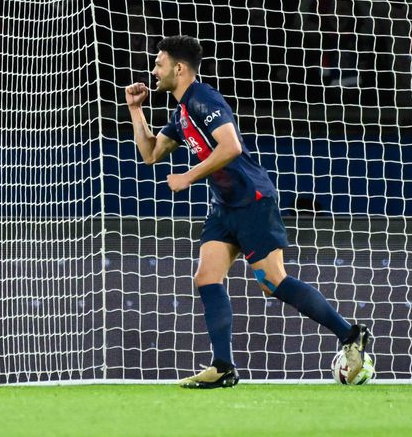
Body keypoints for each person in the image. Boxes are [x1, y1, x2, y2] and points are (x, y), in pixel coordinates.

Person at [125, 35, 369, 388]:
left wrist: (188, 177)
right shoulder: (180, 113)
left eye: (159, 63)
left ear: (179, 69)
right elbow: (149, 154)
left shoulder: (203, 99)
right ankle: (223, 366)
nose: (154, 70)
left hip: (252, 200)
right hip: (224, 207)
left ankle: (350, 335)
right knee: (206, 277)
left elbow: (231, 146)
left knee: (273, 282)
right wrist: (136, 110)